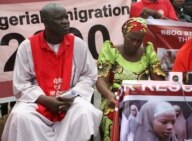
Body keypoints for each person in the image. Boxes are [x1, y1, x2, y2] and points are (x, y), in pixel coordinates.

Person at [1, 3, 102, 141]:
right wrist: (46, 100)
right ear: (46, 23)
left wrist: (72, 95)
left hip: (69, 101)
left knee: (85, 111)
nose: (65, 21)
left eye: (66, 17)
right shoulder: (27, 47)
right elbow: (21, 83)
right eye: (59, 19)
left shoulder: (78, 44)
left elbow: (89, 75)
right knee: (20, 116)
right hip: (37, 101)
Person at [96, 17, 166, 141]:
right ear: (124, 34)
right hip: (115, 99)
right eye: (131, 39)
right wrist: (109, 95)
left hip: (142, 99)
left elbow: (159, 81)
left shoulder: (148, 52)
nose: (135, 43)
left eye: (139, 41)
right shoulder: (111, 50)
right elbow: (101, 79)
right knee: (111, 114)